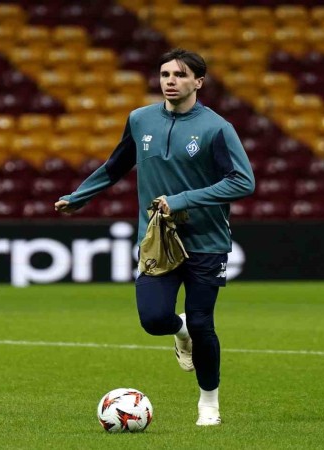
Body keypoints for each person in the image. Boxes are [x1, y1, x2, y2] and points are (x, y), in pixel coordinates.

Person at [55, 48, 255, 426]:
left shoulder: (216, 128)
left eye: (180, 75)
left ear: (198, 82)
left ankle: (208, 404)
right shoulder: (140, 119)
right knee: (153, 318)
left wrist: (182, 200)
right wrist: (78, 197)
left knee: (203, 322)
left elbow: (243, 181)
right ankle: (180, 330)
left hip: (206, 240)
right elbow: (115, 165)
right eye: (165, 75)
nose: (170, 81)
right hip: (157, 240)